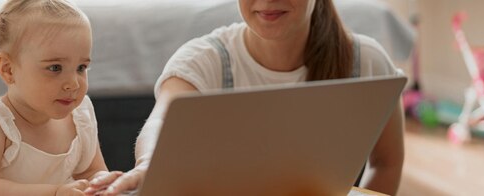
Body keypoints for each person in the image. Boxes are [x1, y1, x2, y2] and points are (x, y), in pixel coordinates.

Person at [86, 0, 405, 195]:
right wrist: (148, 162)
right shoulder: (205, 59)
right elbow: (163, 120)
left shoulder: (365, 60)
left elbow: (387, 161)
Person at [0, 0, 120, 195]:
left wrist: (101, 184)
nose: (73, 83)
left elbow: (91, 171)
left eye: (81, 67)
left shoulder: (79, 118)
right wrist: (55, 192)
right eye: (55, 68)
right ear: (8, 69)